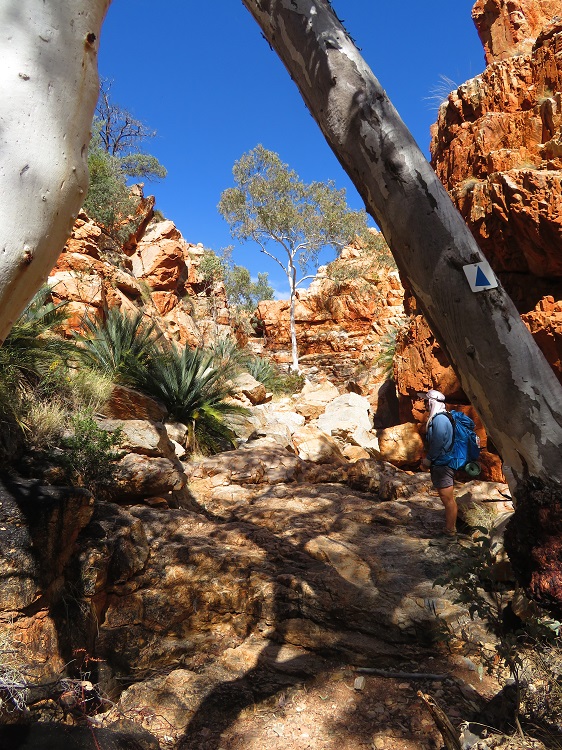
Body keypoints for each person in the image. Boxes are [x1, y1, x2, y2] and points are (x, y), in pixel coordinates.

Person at [420, 389, 458, 539]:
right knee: (446, 498)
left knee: (447, 498)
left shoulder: (439, 419)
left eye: (425, 401)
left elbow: (437, 442)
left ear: (431, 402)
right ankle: (449, 529)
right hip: (443, 462)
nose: (424, 405)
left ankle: (450, 532)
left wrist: (428, 461)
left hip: (442, 464)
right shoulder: (442, 417)